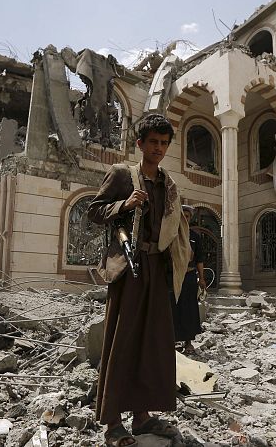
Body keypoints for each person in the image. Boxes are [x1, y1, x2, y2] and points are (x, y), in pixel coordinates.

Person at [88, 114, 191, 447]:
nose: (158, 149)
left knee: (153, 344)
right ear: (140, 144)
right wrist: (123, 204)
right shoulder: (122, 174)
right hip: (129, 269)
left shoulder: (166, 183)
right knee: (124, 342)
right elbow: (94, 210)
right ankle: (114, 423)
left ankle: (143, 416)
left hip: (157, 269)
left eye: (164, 144)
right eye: (153, 143)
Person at [171, 205, 207, 354]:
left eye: (188, 216)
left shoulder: (194, 237)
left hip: (190, 276)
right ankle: (173, 340)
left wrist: (202, 279)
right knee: (173, 307)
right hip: (173, 277)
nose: (185, 218)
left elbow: (199, 259)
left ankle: (188, 342)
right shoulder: (172, 234)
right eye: (183, 216)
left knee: (189, 309)